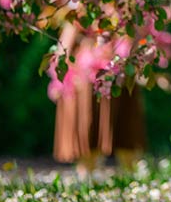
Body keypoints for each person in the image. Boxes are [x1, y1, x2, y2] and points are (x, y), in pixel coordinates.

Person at [51, 21, 147, 177]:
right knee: (90, 130)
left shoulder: (125, 12)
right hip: (88, 78)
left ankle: (129, 177)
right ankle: (88, 175)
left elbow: (137, 39)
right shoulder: (83, 12)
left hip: (116, 74)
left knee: (125, 132)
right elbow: (65, 47)